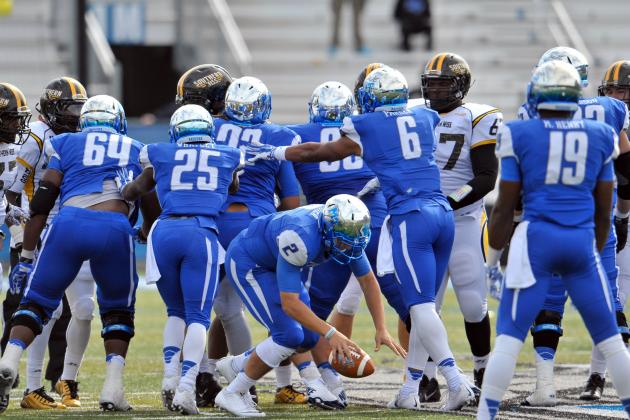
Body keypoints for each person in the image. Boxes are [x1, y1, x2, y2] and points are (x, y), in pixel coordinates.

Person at [247, 66, 477, 411]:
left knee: (413, 306)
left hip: (401, 217)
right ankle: (411, 387)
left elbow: (316, 152)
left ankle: (454, 379)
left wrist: (276, 154)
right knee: (421, 306)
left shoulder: (364, 125)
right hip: (440, 212)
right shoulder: (426, 116)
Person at [477, 60, 630, 420]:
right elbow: (605, 205)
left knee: (509, 339)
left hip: (537, 240)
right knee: (611, 341)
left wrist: (493, 259)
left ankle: (486, 415)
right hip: (581, 240)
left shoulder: (519, 133)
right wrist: (592, 250)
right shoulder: (601, 134)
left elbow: (504, 206)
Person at [0, 95, 145, 413]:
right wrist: (146, 230)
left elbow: (42, 203)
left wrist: (25, 255)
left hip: (68, 223)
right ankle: (112, 388)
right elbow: (148, 195)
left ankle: (10, 358)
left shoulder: (64, 143)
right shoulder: (136, 147)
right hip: (114, 227)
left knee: (36, 302)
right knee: (116, 313)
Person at [214, 195, 404, 417]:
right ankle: (232, 392)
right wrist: (332, 333)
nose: (348, 247)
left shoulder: (346, 232)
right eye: (343, 241)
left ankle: (237, 365)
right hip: (250, 263)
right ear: (328, 230)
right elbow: (290, 304)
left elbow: (368, 280)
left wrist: (381, 327)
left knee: (309, 337)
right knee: (289, 336)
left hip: (274, 263)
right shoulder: (301, 236)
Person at [516, 47, 630, 406]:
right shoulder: (610, 111)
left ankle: (544, 387)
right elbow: (625, 172)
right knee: (608, 301)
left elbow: (516, 180)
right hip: (598, 222)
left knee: (548, 303)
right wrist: (621, 214)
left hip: (549, 223)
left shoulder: (529, 114)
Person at [286, 81, 409, 406]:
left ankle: (315, 381)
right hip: (375, 226)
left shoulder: (297, 132)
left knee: (304, 316)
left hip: (327, 234)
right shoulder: (369, 128)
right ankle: (425, 380)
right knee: (413, 305)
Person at [119, 104, 243, 414]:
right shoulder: (228, 154)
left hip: (164, 233)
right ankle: (187, 386)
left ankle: (170, 378)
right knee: (198, 316)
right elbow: (233, 186)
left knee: (175, 312)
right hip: (200, 232)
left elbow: (135, 190)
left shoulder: (159, 152)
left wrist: (122, 189)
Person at [416, 52, 500, 397]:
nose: (435, 92)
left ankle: (482, 371)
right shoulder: (413, 113)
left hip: (464, 220)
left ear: (460, 85)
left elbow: (486, 177)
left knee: (471, 303)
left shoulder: (477, 116)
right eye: (430, 85)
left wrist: (447, 202)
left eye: (442, 85)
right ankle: (427, 377)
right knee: (425, 305)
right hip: (424, 222)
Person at [5, 77, 88, 410]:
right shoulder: (36, 137)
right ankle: (30, 386)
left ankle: (64, 380)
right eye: (71, 108)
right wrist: (19, 234)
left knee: (79, 309)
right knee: (43, 310)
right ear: (54, 108)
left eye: (80, 108)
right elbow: (13, 188)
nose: (77, 116)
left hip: (66, 228)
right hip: (37, 230)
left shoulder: (70, 137)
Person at [174, 63, 243, 408]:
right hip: (245, 223)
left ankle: (198, 374)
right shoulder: (243, 129)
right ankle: (244, 379)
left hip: (204, 225)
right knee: (229, 310)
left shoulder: (188, 132)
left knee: (194, 309)